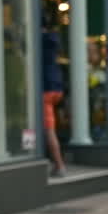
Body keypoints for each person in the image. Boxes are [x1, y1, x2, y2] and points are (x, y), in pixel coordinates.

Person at [40, 13, 66, 178]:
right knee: (50, 127)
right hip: (57, 86)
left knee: (49, 130)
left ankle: (59, 165)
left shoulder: (39, 40)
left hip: (46, 89)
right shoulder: (53, 39)